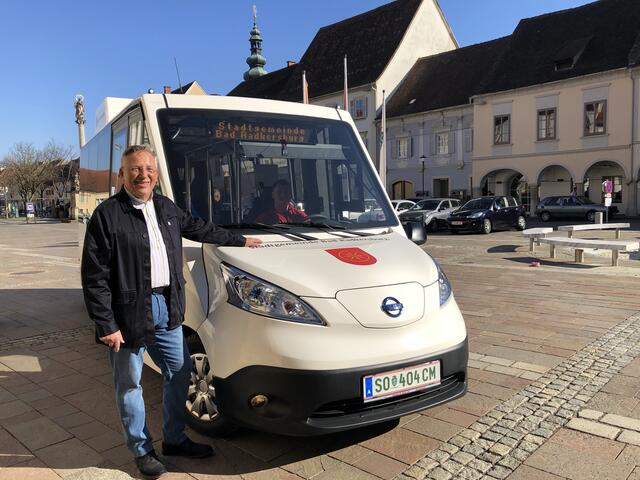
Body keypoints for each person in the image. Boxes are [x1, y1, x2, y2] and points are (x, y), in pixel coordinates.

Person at [81, 145, 261, 479]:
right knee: (129, 384)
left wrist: (240, 241)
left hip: (167, 306)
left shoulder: (166, 208)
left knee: (179, 373)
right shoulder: (107, 215)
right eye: (135, 169)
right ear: (122, 174)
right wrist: (106, 323)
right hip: (126, 312)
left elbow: (200, 228)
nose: (143, 175)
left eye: (149, 168)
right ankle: (141, 449)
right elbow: (94, 276)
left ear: (157, 174)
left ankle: (175, 439)